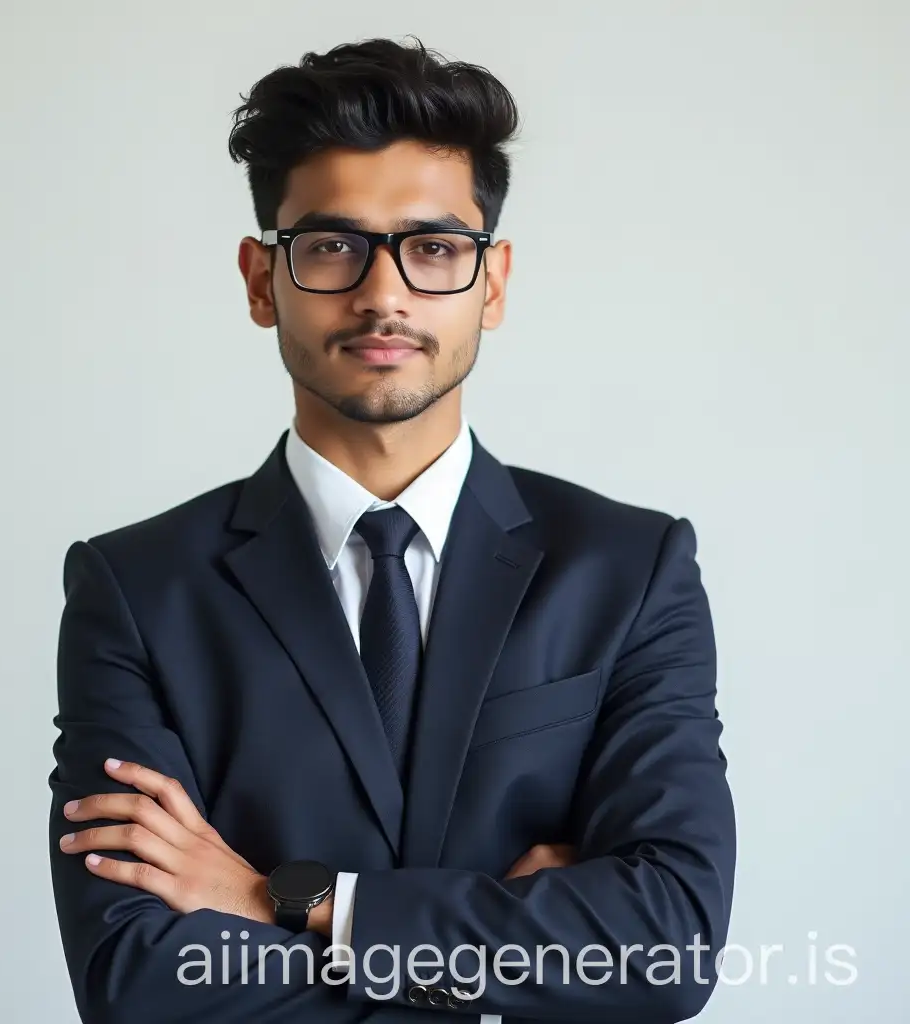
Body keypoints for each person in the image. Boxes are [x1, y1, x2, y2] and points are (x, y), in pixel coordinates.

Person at [48, 36, 736, 1024]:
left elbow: (663, 947)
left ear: (490, 283)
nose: (384, 292)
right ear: (259, 278)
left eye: (434, 247)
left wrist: (285, 899)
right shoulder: (138, 589)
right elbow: (146, 984)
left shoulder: (628, 571)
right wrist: (520, 947)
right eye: (331, 245)